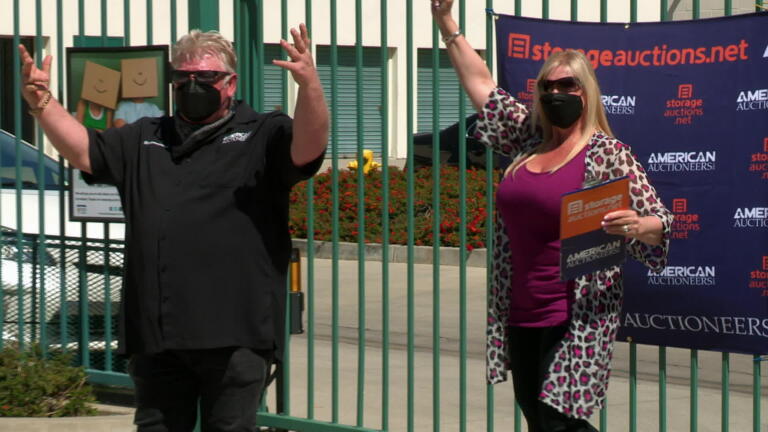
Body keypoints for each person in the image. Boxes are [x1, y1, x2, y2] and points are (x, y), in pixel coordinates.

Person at [19, 24, 328, 432]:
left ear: (231, 83)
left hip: (235, 331)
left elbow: (308, 148)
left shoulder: (262, 133)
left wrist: (309, 86)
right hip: (158, 333)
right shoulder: (146, 136)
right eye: (183, 77)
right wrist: (42, 103)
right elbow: (85, 151)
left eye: (207, 77)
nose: (193, 85)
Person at [432, 1, 672, 431]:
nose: (556, 93)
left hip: (577, 314)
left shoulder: (607, 154)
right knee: (538, 419)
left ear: (586, 92)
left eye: (567, 85)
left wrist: (638, 225)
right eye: (548, 85)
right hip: (520, 310)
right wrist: (445, 21)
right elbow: (481, 82)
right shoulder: (528, 138)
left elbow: (660, 222)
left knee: (558, 421)